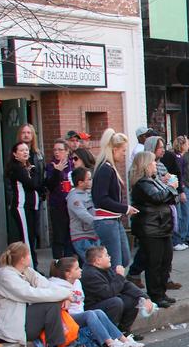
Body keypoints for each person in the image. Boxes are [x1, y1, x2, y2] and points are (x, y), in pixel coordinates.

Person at [0, 242, 77, 347]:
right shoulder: (5, 276)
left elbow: (46, 285)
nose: (31, 257)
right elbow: (30, 294)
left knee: (53, 303)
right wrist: (65, 294)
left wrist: (65, 295)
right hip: (8, 329)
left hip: (21, 321)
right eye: (29, 254)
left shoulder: (25, 271)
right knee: (51, 305)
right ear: (22, 259)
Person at [48, 257, 143, 347]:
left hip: (79, 315)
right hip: (66, 319)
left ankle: (124, 340)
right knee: (89, 314)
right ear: (68, 274)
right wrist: (65, 297)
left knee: (98, 312)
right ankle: (111, 345)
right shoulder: (55, 284)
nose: (81, 270)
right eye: (77, 268)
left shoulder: (77, 282)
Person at [129, 151, 178, 307]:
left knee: (166, 261)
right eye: (152, 162)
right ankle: (156, 295)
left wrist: (170, 189)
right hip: (151, 227)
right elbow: (157, 198)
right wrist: (170, 187)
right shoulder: (142, 183)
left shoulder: (153, 180)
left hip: (162, 226)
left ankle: (162, 292)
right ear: (145, 165)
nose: (155, 165)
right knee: (154, 263)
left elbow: (169, 198)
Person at [91, 129, 138, 270]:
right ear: (115, 149)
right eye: (123, 151)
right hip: (106, 221)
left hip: (113, 220)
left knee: (123, 259)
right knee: (116, 263)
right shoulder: (105, 169)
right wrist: (125, 208)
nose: (124, 154)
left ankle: (114, 286)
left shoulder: (108, 168)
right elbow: (101, 199)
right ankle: (112, 289)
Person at [82, 245, 152, 335]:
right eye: (106, 255)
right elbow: (108, 294)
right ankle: (110, 335)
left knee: (133, 299)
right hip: (92, 308)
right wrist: (119, 276)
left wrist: (145, 297)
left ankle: (124, 332)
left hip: (104, 302)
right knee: (116, 302)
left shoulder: (104, 269)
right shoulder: (90, 274)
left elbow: (126, 285)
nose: (110, 257)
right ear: (98, 261)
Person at [4, 142, 42, 271]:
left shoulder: (28, 167)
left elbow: (40, 185)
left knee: (31, 238)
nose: (25, 152)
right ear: (15, 154)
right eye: (21, 150)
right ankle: (29, 270)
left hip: (32, 207)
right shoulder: (16, 168)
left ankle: (32, 267)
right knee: (26, 238)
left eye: (27, 150)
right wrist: (35, 172)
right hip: (21, 207)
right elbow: (32, 184)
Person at [44, 139, 75, 259]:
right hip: (57, 205)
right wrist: (57, 171)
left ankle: (69, 263)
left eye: (60, 150)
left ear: (67, 151)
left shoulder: (73, 164)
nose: (57, 152)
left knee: (70, 236)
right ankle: (57, 264)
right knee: (59, 236)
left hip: (72, 204)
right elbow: (49, 186)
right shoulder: (51, 166)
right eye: (55, 150)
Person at [67, 167, 102, 263]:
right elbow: (83, 214)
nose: (91, 181)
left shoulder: (88, 193)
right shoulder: (74, 197)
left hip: (92, 234)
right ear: (80, 183)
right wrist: (99, 224)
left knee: (95, 263)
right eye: (89, 179)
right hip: (82, 237)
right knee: (93, 263)